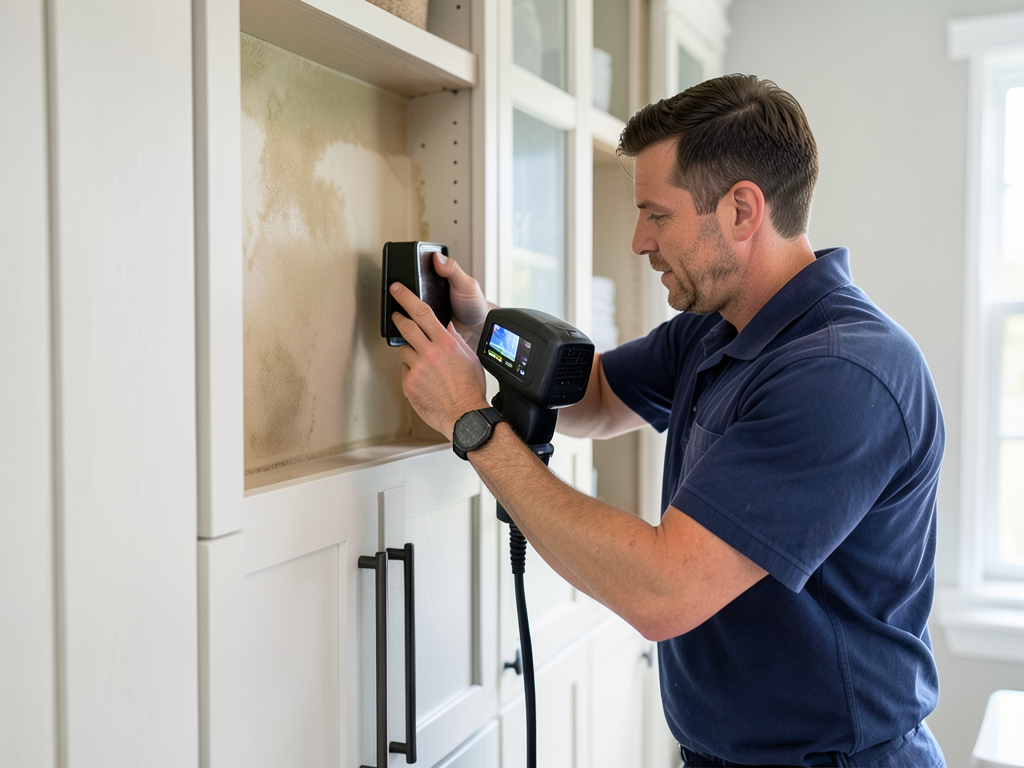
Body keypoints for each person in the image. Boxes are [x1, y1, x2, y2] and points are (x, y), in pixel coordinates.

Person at [387, 74, 946, 768]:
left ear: (742, 211)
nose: (638, 241)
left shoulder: (841, 374)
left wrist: (473, 423)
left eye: (657, 214)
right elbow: (589, 397)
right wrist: (483, 337)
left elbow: (663, 590)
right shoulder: (718, 329)